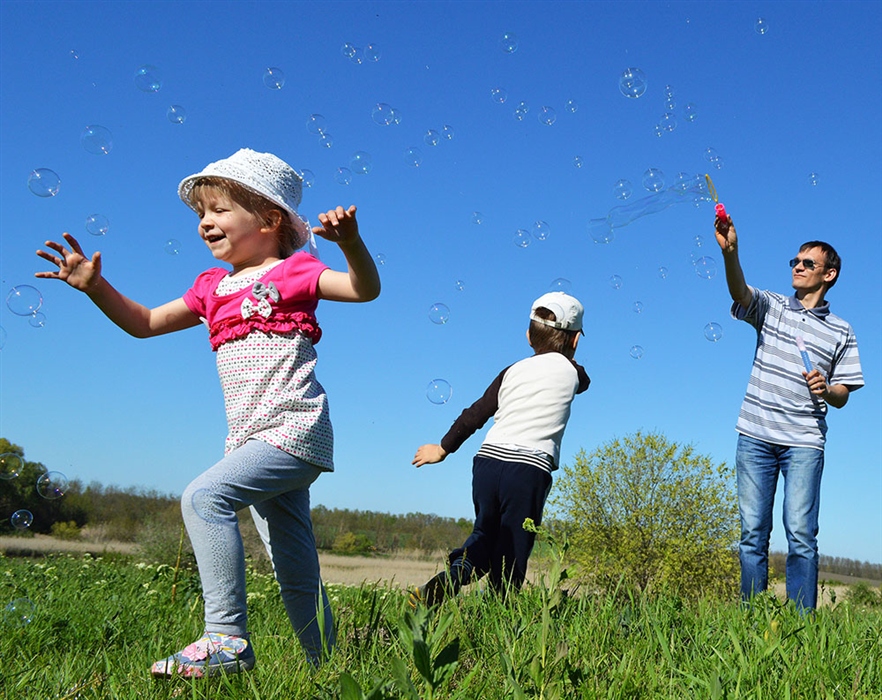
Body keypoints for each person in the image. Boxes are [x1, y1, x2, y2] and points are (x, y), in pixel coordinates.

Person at [35, 148, 380, 676]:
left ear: (269, 219)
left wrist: (351, 244)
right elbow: (145, 322)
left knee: (203, 497)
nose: (205, 222)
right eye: (200, 213)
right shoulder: (210, 288)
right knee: (294, 567)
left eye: (218, 209)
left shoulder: (296, 271)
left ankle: (226, 637)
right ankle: (330, 671)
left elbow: (363, 289)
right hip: (249, 441)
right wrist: (94, 286)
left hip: (294, 430)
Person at [714, 212, 863, 610]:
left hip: (804, 443)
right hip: (756, 435)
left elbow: (844, 393)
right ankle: (751, 617)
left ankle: (801, 625)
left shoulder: (842, 330)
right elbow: (740, 293)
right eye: (794, 261)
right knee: (752, 535)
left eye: (807, 263)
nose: (797, 267)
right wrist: (732, 252)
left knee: (800, 534)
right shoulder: (774, 307)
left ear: (828, 274)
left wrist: (827, 388)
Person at [410, 292, 590, 606]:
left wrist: (442, 448)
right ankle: (496, 613)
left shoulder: (511, 371)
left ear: (527, 335)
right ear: (574, 341)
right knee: (513, 549)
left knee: (485, 534)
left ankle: (454, 575)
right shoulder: (572, 371)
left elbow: (476, 413)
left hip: (487, 463)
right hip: (528, 470)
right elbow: (584, 381)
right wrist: (568, 356)